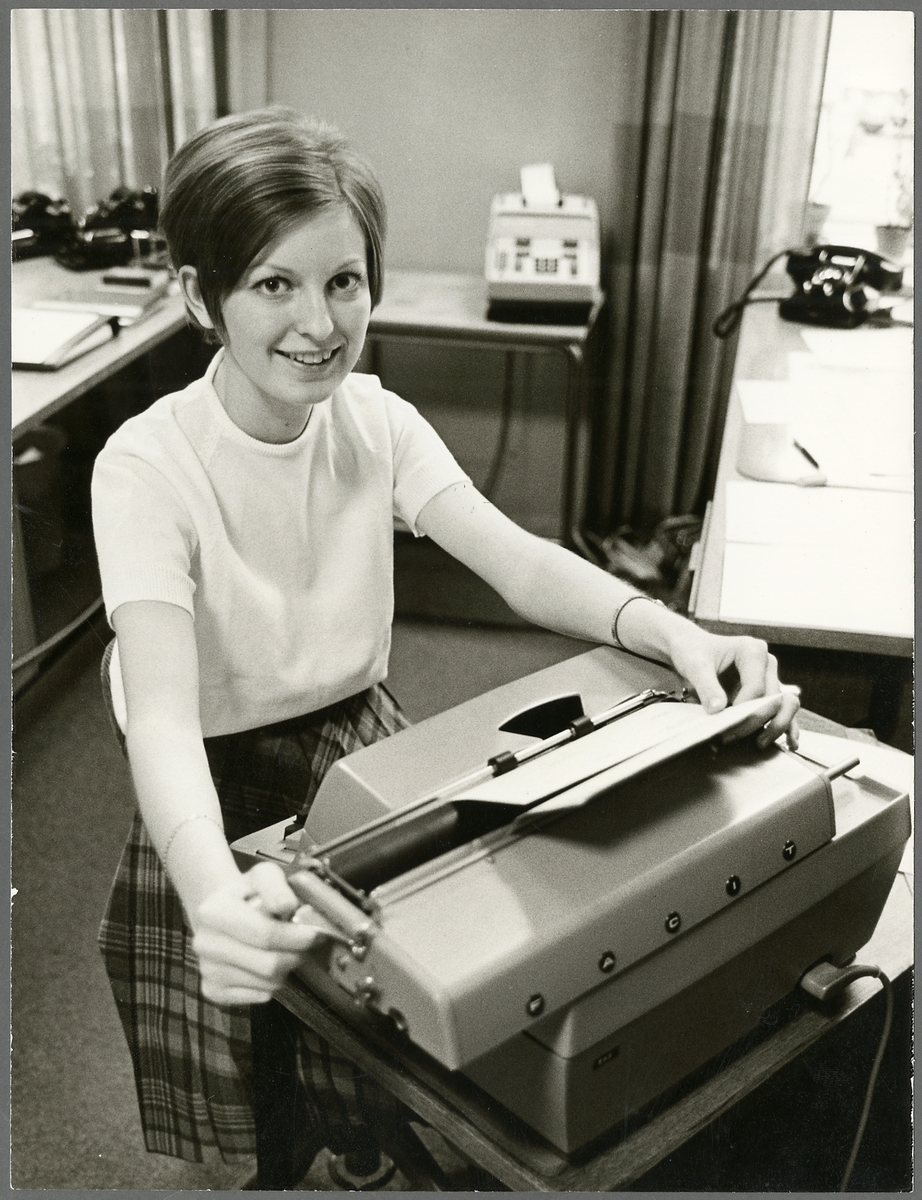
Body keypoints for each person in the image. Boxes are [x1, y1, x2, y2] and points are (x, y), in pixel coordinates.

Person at [91, 106, 799, 1188]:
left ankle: (362, 1145)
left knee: (389, 995)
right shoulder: (144, 467)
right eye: (274, 284)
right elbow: (161, 715)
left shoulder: (374, 420)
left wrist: (673, 628)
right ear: (198, 296)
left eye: (344, 281)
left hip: (354, 742)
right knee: (243, 1026)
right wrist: (208, 887)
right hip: (210, 773)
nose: (319, 323)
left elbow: (518, 561)